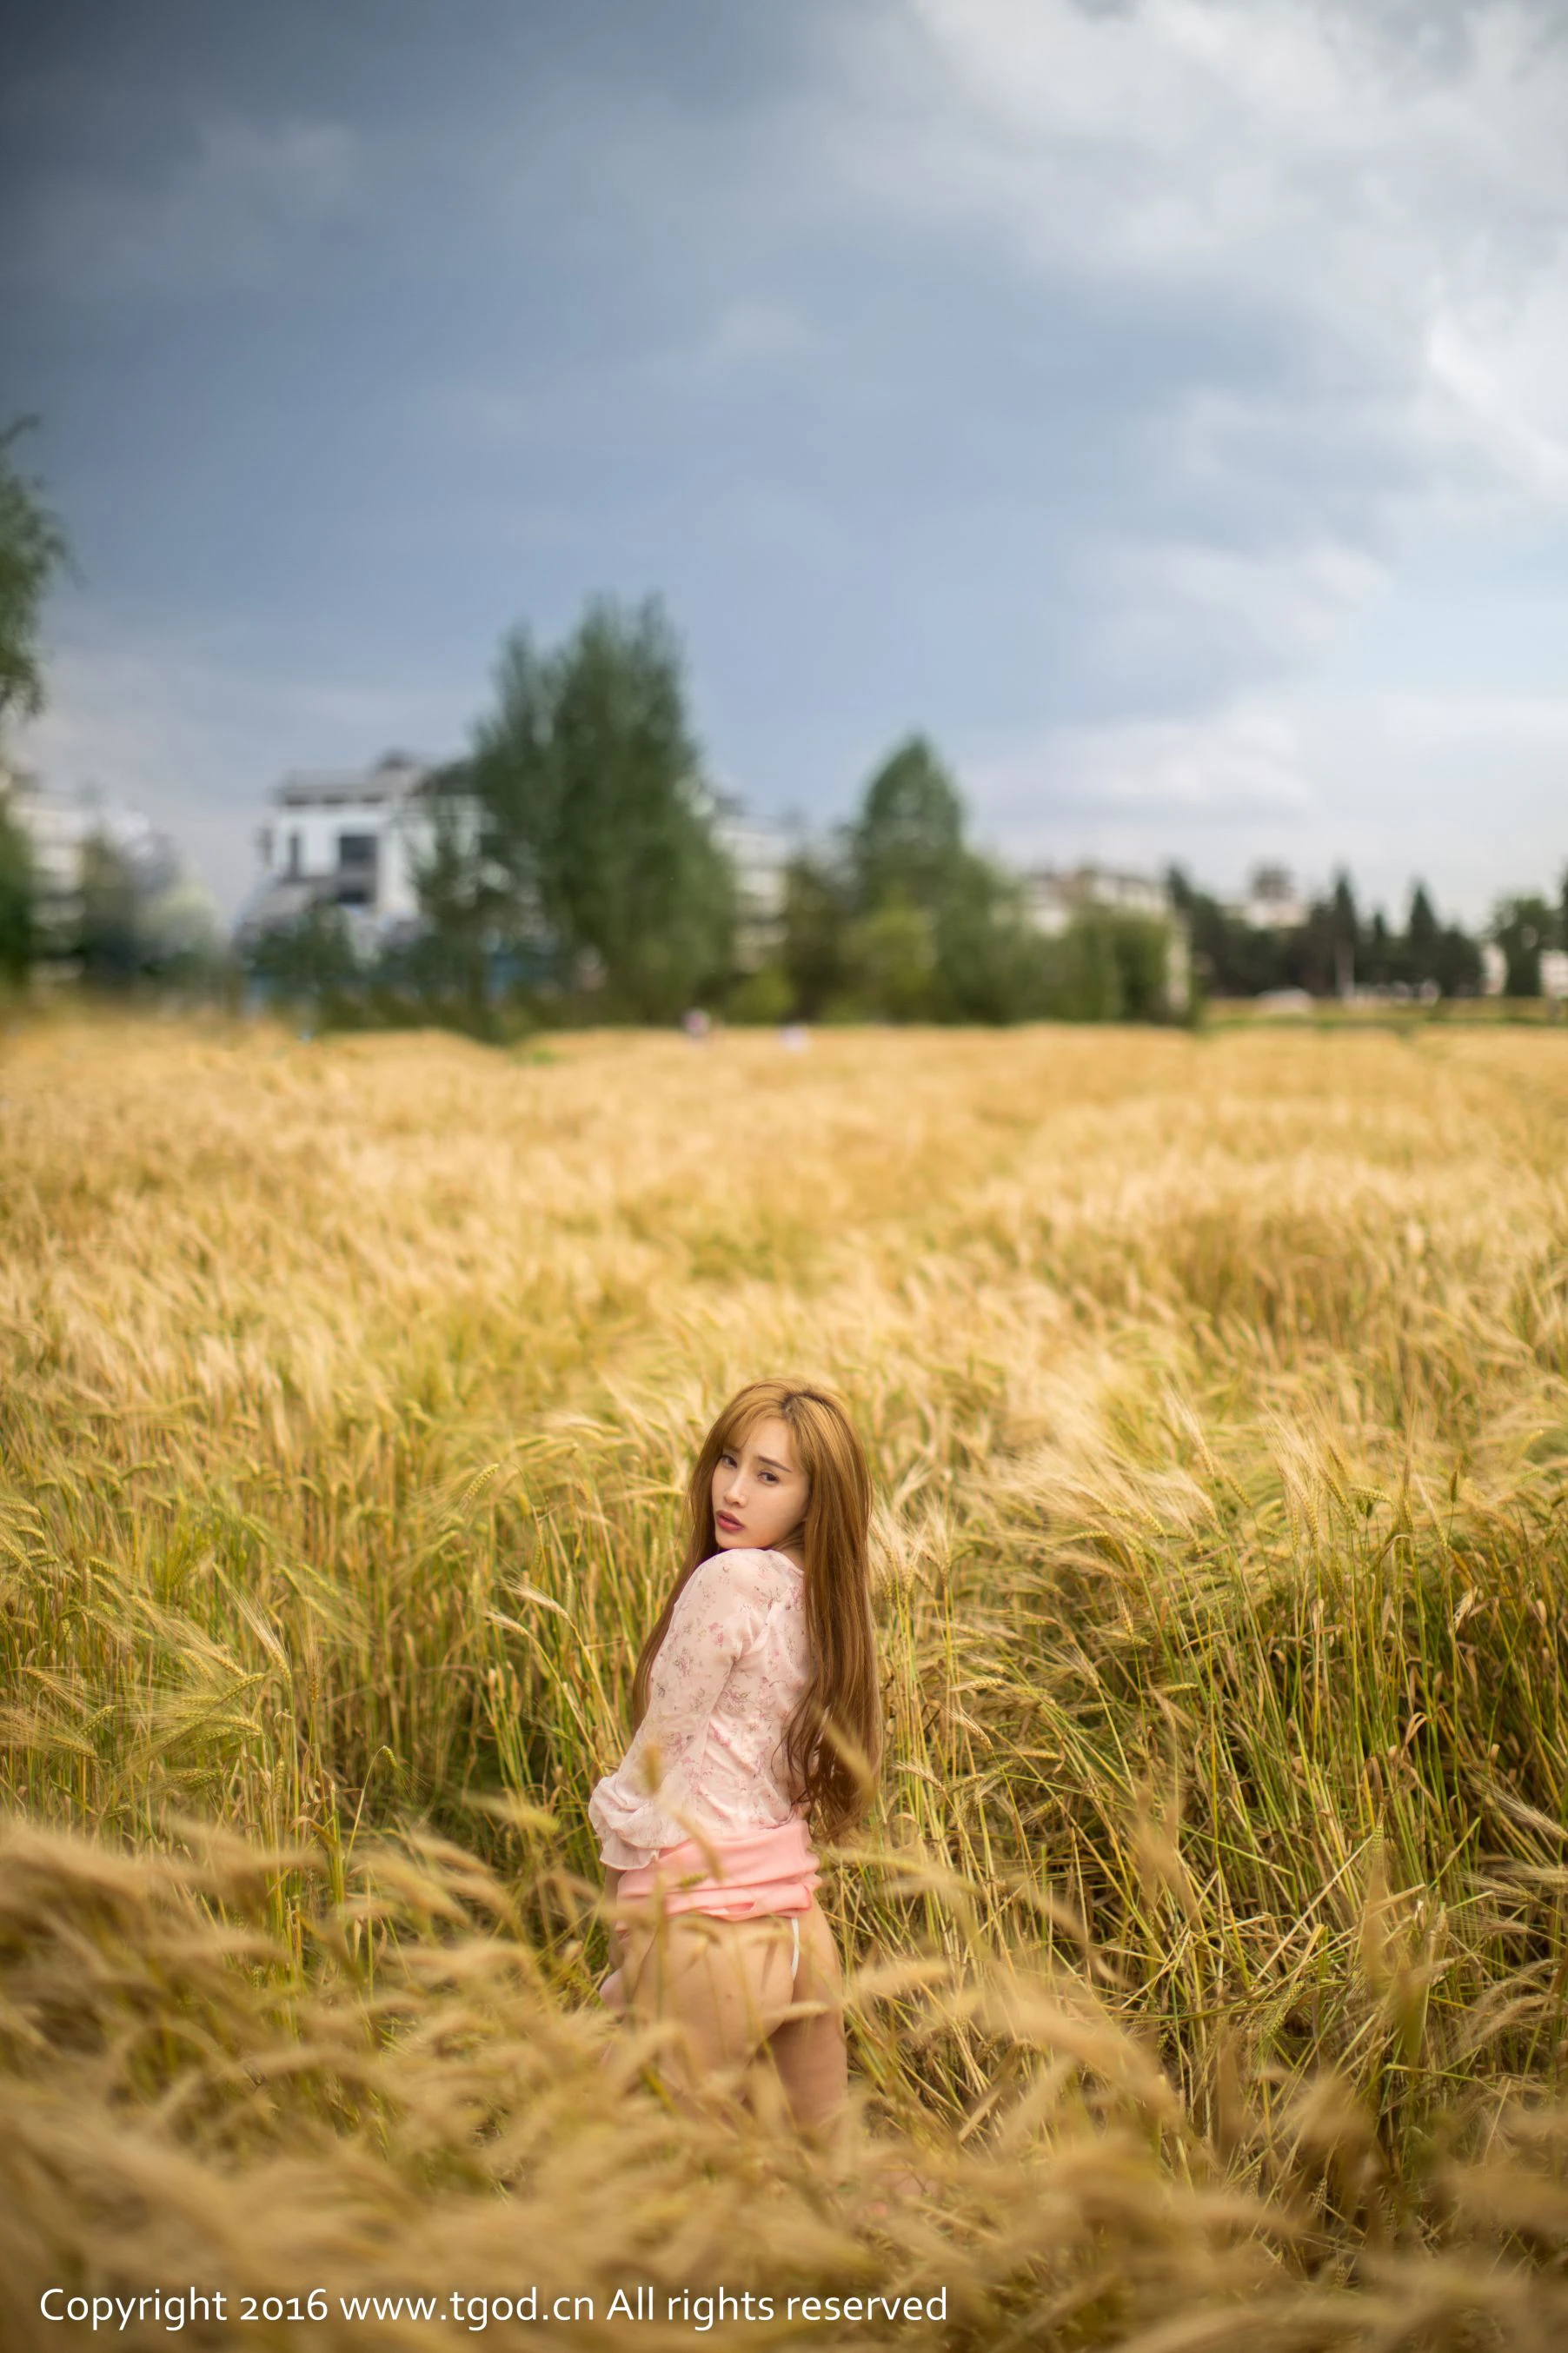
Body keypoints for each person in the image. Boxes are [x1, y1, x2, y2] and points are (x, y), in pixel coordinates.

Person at [589, 1380, 880, 2137]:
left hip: (705, 1927)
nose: (734, 1491)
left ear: (816, 1501)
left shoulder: (731, 1580)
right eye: (728, 1461)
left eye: (769, 1475)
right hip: (798, 1928)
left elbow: (657, 1757)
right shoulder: (826, 1599)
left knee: (619, 2169)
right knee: (828, 2168)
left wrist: (626, 1905)